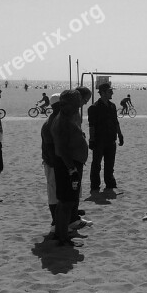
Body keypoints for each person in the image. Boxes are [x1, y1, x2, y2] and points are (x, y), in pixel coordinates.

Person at [51, 90, 88, 246]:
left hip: (69, 164)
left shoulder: (67, 117)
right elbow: (63, 149)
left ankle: (60, 233)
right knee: (66, 202)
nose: (79, 106)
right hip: (68, 166)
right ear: (66, 104)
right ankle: (63, 237)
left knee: (64, 201)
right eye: (76, 104)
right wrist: (72, 170)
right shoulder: (63, 121)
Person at [87, 82, 124, 192]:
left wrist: (120, 134)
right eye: (109, 91)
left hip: (111, 139)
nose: (112, 92)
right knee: (96, 165)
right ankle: (95, 186)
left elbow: (115, 122)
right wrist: (92, 139)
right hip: (99, 140)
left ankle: (110, 184)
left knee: (110, 164)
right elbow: (91, 125)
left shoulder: (112, 106)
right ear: (102, 93)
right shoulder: (94, 108)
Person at [41, 93, 62, 231]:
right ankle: (56, 221)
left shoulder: (57, 120)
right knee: (54, 194)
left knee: (58, 193)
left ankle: (60, 220)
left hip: (57, 163)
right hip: (53, 164)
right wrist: (56, 164)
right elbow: (49, 147)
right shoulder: (51, 122)